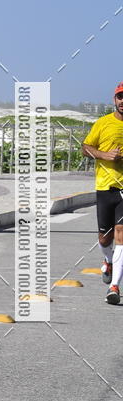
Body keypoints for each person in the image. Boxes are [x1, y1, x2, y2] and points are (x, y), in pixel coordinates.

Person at [82, 81, 123, 304]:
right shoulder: (103, 123)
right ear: (115, 99)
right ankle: (107, 261)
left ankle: (115, 286)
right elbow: (85, 147)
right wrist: (103, 155)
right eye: (120, 97)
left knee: (121, 236)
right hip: (105, 188)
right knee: (104, 238)